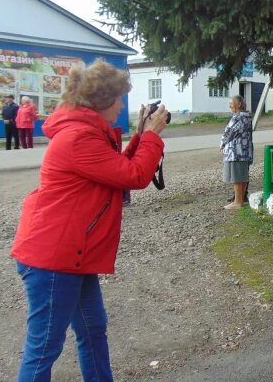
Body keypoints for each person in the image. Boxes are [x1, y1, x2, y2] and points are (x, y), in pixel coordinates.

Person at [10, 59, 168, 382]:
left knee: (93, 328)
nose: (122, 104)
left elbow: (113, 171)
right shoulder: (78, 138)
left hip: (71, 256)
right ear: (103, 102)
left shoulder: (85, 133)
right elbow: (134, 175)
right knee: (43, 349)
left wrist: (139, 136)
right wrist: (152, 136)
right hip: (54, 259)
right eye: (119, 98)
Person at [220, 94, 253, 209]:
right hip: (244, 151)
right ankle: (240, 201)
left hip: (236, 152)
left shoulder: (239, 117)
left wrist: (222, 143)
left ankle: (237, 202)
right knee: (242, 176)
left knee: (237, 177)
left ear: (239, 104)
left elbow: (231, 132)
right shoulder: (247, 116)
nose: (230, 106)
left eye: (231, 104)